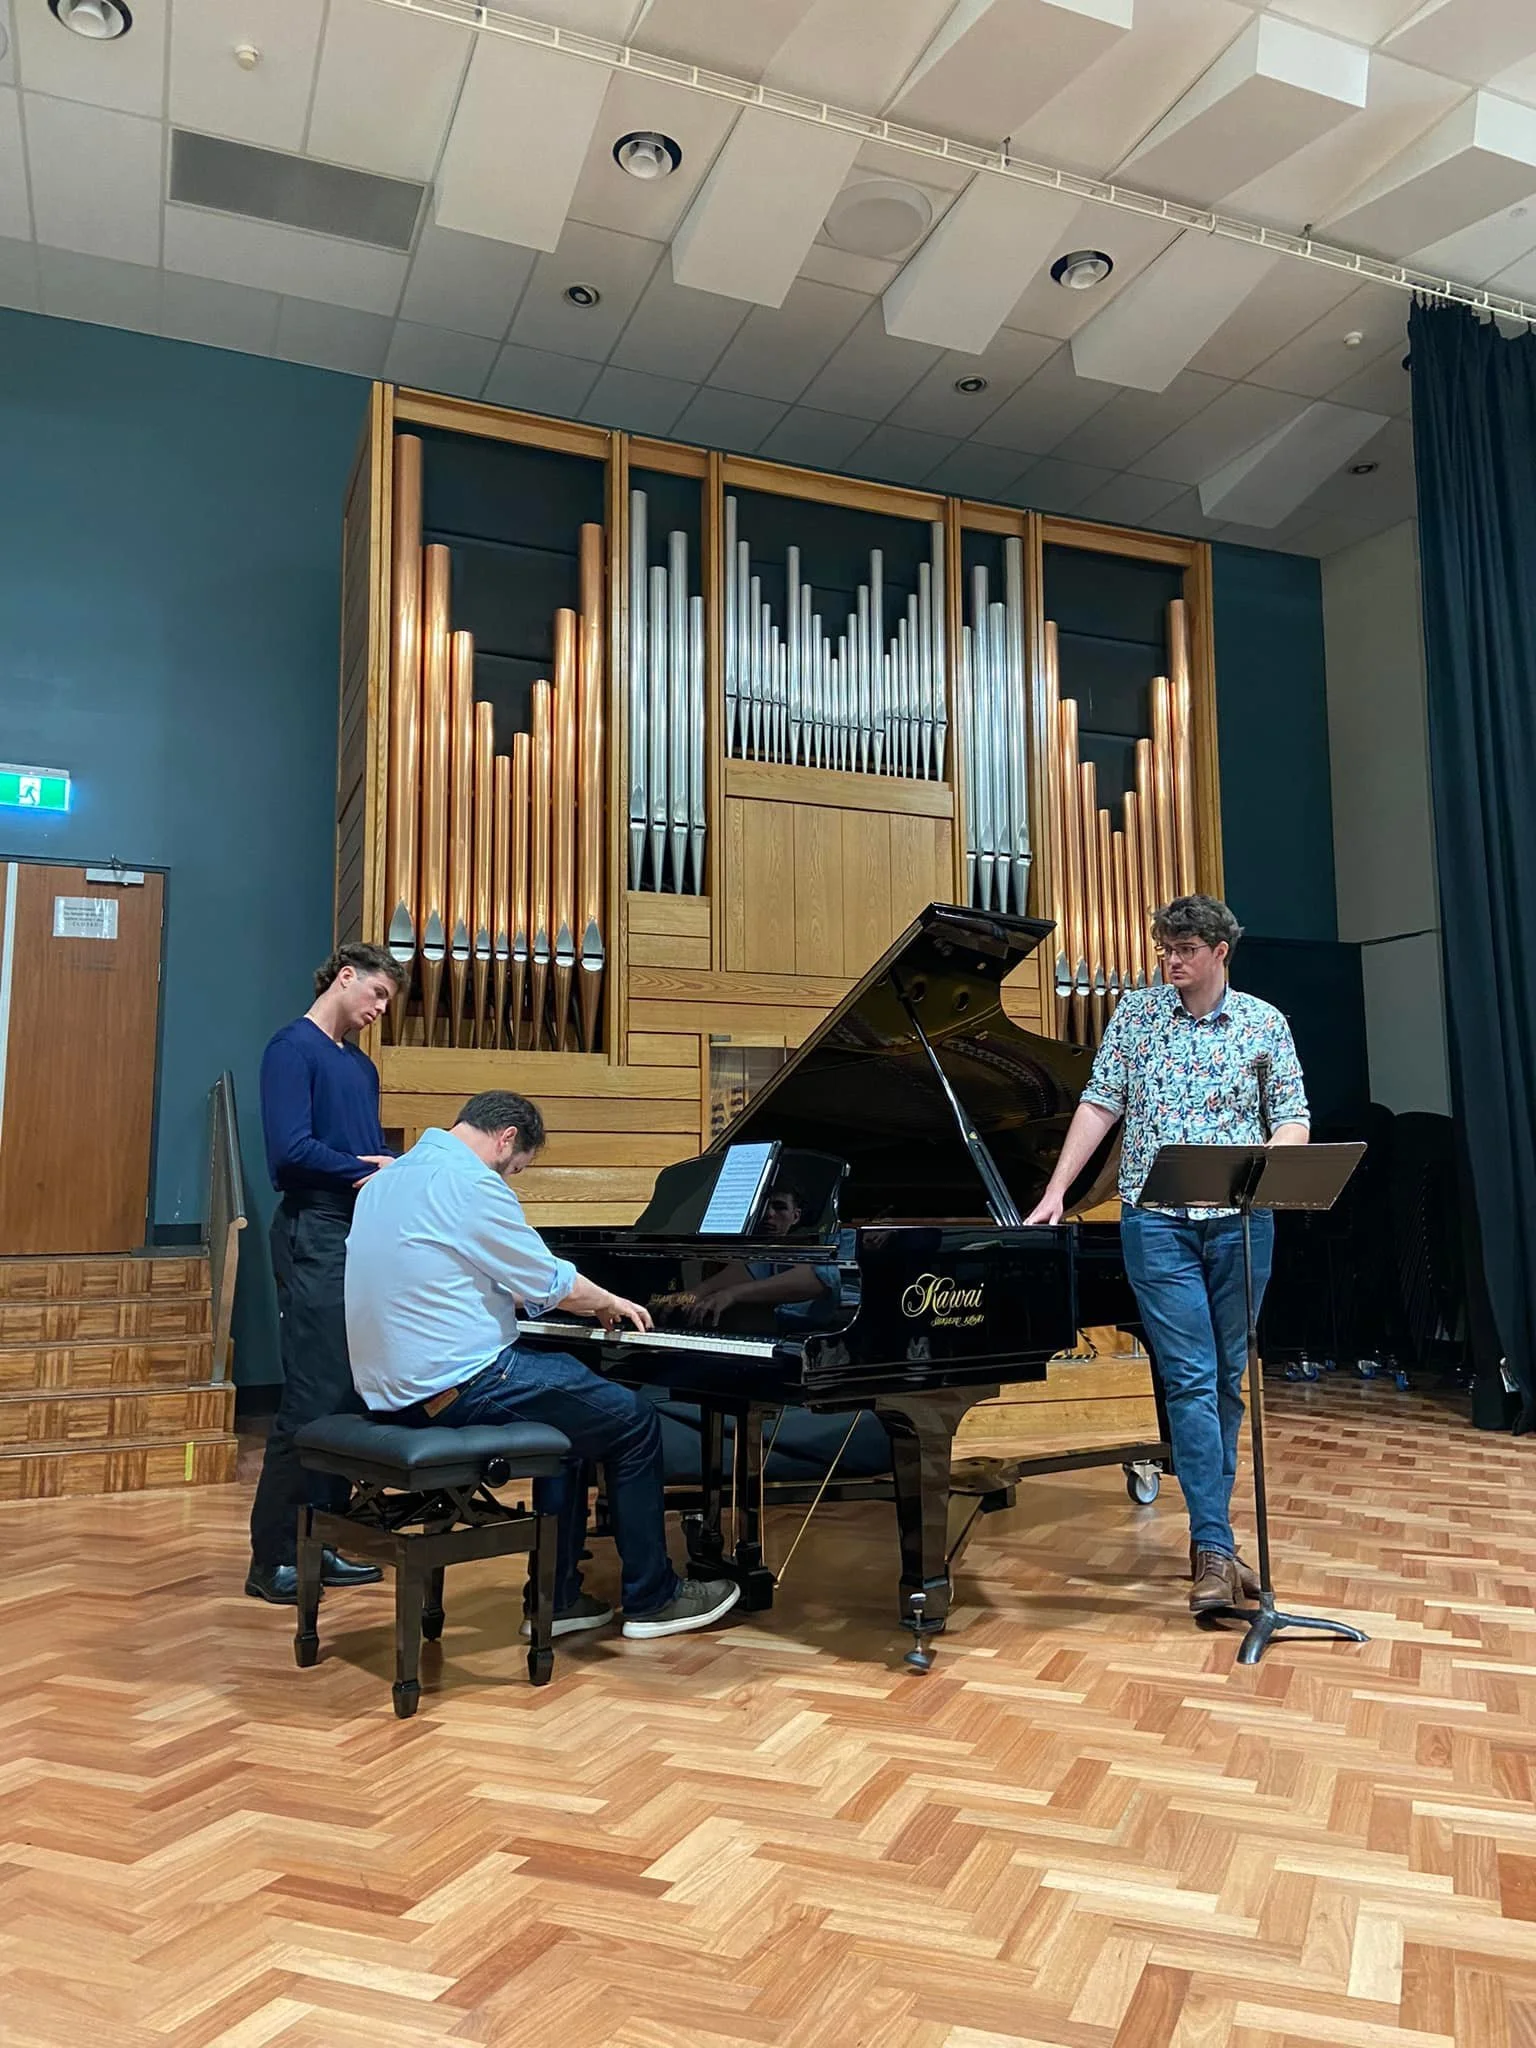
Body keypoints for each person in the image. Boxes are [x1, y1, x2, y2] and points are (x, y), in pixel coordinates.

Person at [343, 1090, 741, 1642]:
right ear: (507, 1137)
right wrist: (609, 1301)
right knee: (632, 1422)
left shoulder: (389, 1179)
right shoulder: (472, 1183)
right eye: (518, 1168)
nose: (511, 1180)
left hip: (390, 1392)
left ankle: (559, 1599)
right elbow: (547, 1282)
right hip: (458, 1385)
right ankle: (655, 1597)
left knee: (572, 1423)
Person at [1024, 895, 1310, 1617]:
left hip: (1242, 1225)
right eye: (1165, 949)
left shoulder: (1263, 1023)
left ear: (1221, 952)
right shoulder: (1139, 1016)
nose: (1171, 962)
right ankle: (1214, 1547)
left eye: (1185, 950)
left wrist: (1273, 1164)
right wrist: (1058, 1189)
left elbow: (1294, 1118)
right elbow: (1099, 1104)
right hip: (1157, 1226)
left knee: (1228, 1381)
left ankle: (1209, 1539)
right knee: (1188, 1377)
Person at [245, 941, 405, 1604]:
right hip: (314, 1229)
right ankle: (272, 1558)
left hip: (356, 1236)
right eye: (377, 995)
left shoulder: (361, 1070)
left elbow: (358, 1153)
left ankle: (324, 1540)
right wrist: (372, 1167)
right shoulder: (291, 1048)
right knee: (311, 1398)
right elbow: (291, 1152)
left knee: (349, 1395)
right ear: (346, 977)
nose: (379, 1010)